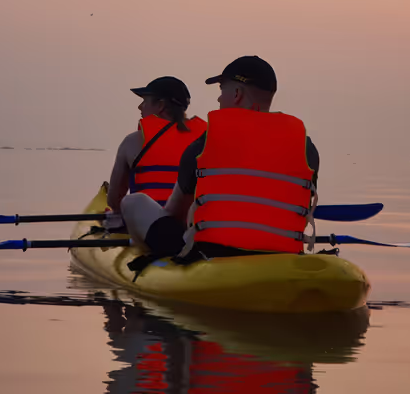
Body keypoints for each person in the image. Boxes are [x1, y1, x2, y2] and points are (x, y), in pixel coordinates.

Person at [120, 56, 320, 260]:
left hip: (212, 253)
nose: (218, 99)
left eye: (221, 90)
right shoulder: (306, 146)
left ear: (236, 94)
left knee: (133, 202)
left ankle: (151, 263)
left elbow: (176, 215)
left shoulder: (205, 143)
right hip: (283, 253)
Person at [106, 76, 207, 216]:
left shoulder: (133, 141)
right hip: (194, 227)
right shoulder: (207, 139)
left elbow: (114, 201)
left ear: (160, 106)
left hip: (151, 230)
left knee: (113, 216)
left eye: (144, 101)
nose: (140, 107)